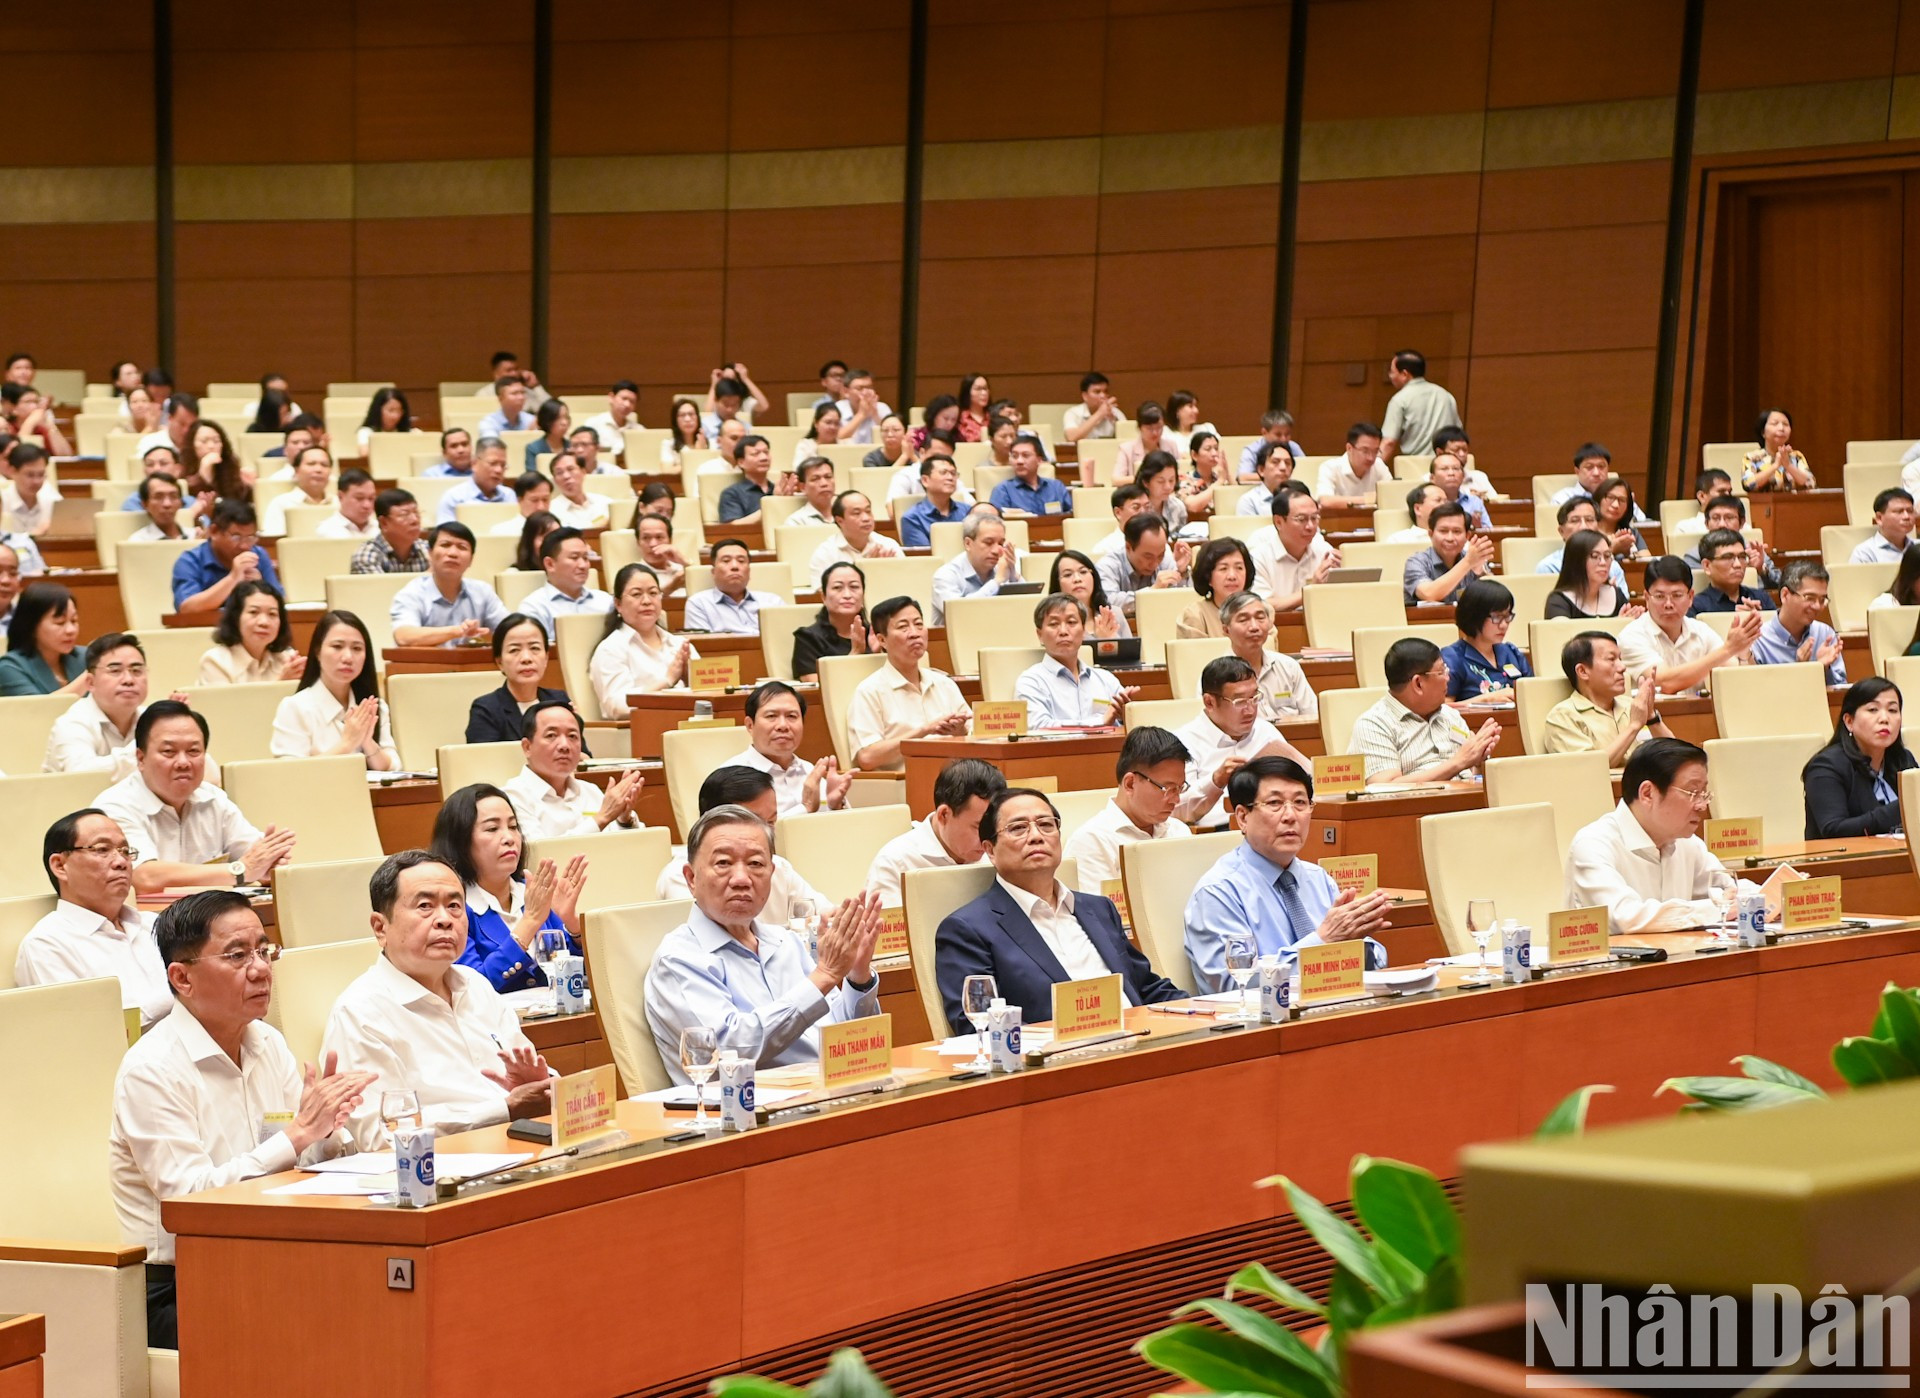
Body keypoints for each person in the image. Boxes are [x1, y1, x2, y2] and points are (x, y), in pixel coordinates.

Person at [111, 889, 372, 1348]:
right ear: (182, 977)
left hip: (269, 1255)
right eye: (237, 955)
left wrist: (328, 1133)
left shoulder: (266, 1041)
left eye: (263, 950)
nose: (260, 968)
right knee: (323, 1326)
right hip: (180, 1285)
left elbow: (295, 1154)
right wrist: (297, 1135)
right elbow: (189, 1202)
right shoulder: (151, 1069)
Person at [323, 851, 551, 1151]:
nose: (445, 919)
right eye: (425, 906)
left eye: (455, 906)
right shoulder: (360, 1012)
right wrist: (504, 1109)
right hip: (435, 1175)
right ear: (380, 928)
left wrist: (539, 1082)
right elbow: (379, 1136)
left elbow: (528, 1089)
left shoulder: (476, 986)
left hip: (516, 1151)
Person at [642, 805, 882, 1076]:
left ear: (772, 873)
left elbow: (848, 1039)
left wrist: (857, 975)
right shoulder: (678, 959)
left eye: (756, 864)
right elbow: (729, 1052)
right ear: (691, 878)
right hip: (748, 1111)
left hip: (828, 1093)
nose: (742, 879)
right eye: (723, 863)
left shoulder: (786, 942)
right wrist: (825, 975)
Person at [933, 787, 1182, 1033]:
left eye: (1046, 825)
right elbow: (981, 1024)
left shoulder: (1099, 908)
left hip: (1137, 1044)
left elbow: (1146, 988)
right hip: (1057, 1061)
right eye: (1018, 828)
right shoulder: (967, 929)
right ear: (989, 850)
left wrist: (1209, 1010)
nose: (1036, 836)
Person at [1183, 757, 1393, 990]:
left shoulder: (1318, 878)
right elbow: (1234, 984)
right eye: (1274, 803)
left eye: (1300, 802)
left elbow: (1375, 958)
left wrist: (1358, 944)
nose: (1290, 816)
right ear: (1243, 817)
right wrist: (1322, 943)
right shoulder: (1218, 892)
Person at [95, 701, 297, 894]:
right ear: (141, 758)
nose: (183, 762)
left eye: (193, 751)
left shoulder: (214, 799)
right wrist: (239, 870)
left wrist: (269, 865)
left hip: (212, 919)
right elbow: (144, 877)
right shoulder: (115, 807)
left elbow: (253, 858)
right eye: (169, 752)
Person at [1564, 738, 1740, 933]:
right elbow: (1626, 917)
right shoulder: (1593, 844)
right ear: (1647, 793)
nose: (1702, 805)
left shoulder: (1687, 843)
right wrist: (1717, 909)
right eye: (1692, 792)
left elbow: (1730, 890)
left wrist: (1755, 899)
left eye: (1704, 793)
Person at [15, 809, 171, 1027]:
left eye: (125, 851)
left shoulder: (154, 924)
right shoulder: (47, 946)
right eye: (102, 849)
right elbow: (89, 1035)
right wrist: (180, 996)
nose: (121, 862)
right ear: (60, 866)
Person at [430, 783, 587, 993]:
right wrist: (530, 922)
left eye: (513, 827)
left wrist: (572, 926)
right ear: (460, 841)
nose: (510, 838)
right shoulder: (453, 909)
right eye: (493, 829)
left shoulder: (532, 893)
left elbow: (581, 980)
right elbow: (473, 989)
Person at [651, 766, 832, 916]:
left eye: (771, 822)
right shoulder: (681, 875)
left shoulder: (778, 866)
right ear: (712, 820)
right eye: (753, 822)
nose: (765, 833)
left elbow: (825, 914)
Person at [1172, 656, 1310, 824]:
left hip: (1272, 826)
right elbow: (1176, 810)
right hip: (1217, 833)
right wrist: (1216, 781)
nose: (1250, 709)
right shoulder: (1183, 742)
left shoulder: (1265, 731)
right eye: (1239, 701)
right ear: (1209, 702)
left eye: (1254, 697)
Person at [1349, 637, 1503, 785]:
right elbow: (1385, 787)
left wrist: (1479, 761)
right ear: (1418, 684)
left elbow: (1472, 776)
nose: (1448, 678)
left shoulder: (1450, 716)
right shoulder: (1374, 725)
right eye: (1441, 671)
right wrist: (1458, 762)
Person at [1062, 726, 1194, 893]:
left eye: (1179, 788)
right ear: (1130, 784)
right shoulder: (1092, 841)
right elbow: (1098, 914)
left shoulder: (1179, 831)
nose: (1176, 799)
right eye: (1167, 789)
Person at [847, 596, 970, 770]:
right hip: (905, 784)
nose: (915, 633)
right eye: (903, 627)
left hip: (958, 779)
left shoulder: (945, 684)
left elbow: (975, 734)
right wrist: (925, 731)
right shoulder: (869, 691)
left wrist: (960, 732)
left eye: (919, 624)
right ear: (882, 640)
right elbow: (867, 757)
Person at [270, 610, 399, 771]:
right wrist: (347, 744)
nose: (348, 657)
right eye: (337, 646)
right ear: (317, 652)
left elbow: (393, 766)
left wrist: (368, 743)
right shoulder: (295, 707)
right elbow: (289, 773)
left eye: (357, 648)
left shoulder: (374, 706)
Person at [869, 758, 1004, 906]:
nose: (988, 839)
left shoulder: (1003, 850)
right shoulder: (895, 862)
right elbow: (889, 928)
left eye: (993, 826)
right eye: (978, 827)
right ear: (944, 815)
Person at [501, 699, 643, 839]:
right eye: (551, 735)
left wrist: (624, 820)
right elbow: (538, 854)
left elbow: (628, 848)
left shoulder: (590, 790)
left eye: (572, 736)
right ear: (527, 747)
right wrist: (601, 818)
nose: (564, 745)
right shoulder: (512, 797)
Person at [1618, 556, 1761, 693]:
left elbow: (1733, 674)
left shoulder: (1701, 630)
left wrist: (1743, 655)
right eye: (1660, 596)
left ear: (1690, 597)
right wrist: (1728, 649)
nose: (1668, 604)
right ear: (1647, 599)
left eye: (1677, 595)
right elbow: (1664, 682)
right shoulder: (1632, 636)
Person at [1803, 678, 1916, 838]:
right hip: (1848, 861)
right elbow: (1833, 829)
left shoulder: (1903, 759)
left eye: (1892, 710)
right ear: (1849, 721)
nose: (1884, 719)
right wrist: (1905, 807)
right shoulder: (1826, 766)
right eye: (1872, 710)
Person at [1543, 632, 1672, 762]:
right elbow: (1590, 769)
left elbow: (1675, 758)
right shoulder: (1563, 717)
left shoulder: (1633, 706)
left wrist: (1650, 717)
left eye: (1620, 659)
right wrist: (1634, 726)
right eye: (1611, 659)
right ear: (1582, 671)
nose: (1622, 667)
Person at [590, 563, 696, 719]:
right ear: (618, 604)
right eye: (636, 594)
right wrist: (667, 681)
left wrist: (690, 679)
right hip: (641, 731)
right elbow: (618, 707)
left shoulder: (679, 644)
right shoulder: (611, 649)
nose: (647, 601)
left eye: (653, 593)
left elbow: (708, 694)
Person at [1015, 594, 1136, 729]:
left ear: (1083, 630)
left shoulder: (1106, 680)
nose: (1063, 631)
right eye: (1054, 624)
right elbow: (1038, 726)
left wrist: (1126, 714)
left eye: (1071, 622)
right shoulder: (1031, 681)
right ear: (1040, 635)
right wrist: (1100, 721)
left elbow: (1130, 726)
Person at [730, 681, 850, 816]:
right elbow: (749, 833)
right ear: (750, 725)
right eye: (771, 716)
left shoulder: (810, 771)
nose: (783, 725)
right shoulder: (733, 777)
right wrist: (806, 807)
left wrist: (836, 806)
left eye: (791, 716)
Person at [43, 634, 149, 779]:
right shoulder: (72, 723)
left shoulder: (151, 719)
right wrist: (150, 749)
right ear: (90, 683)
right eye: (115, 671)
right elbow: (80, 776)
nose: (128, 680)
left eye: (136, 671)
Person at [388, 522, 506, 649]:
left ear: (471, 560)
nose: (453, 553)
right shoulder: (412, 593)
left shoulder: (482, 591)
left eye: (462, 547)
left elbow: (510, 630)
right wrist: (457, 631)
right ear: (430, 553)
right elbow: (403, 636)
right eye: (445, 545)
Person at [466, 613, 575, 745]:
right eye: (514, 650)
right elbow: (483, 761)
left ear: (546, 658)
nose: (526, 658)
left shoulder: (559, 701)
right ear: (499, 662)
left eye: (534, 648)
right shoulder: (487, 709)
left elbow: (584, 757)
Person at [1220, 591, 1316, 723]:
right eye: (1243, 620)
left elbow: (1313, 716)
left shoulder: (1288, 666)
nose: (1254, 627)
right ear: (1226, 630)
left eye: (1260, 618)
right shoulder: (1216, 676)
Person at [170, 501, 283, 613]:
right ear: (214, 532)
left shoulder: (258, 555)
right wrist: (233, 578)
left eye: (250, 537)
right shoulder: (189, 561)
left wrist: (261, 586)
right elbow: (187, 608)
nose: (244, 546)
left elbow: (280, 601)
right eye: (236, 537)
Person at [1752, 561, 1846, 685]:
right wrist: (1802, 670)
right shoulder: (1759, 639)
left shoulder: (1824, 634)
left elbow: (1839, 691)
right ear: (1785, 595)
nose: (1817, 606)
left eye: (1822, 599)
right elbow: (1757, 693)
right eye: (1810, 598)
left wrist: (1823, 668)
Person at [1251, 485, 1339, 610]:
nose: (1310, 526)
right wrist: (1311, 589)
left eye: (1314, 518)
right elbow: (1262, 605)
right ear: (1278, 522)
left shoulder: (1324, 551)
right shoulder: (1259, 558)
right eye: (1301, 519)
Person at [1441, 579, 1530, 701]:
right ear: (1475, 616)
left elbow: (1533, 693)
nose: (1504, 625)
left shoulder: (1511, 652)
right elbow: (1444, 710)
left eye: (1507, 616)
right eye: (1497, 617)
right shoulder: (1453, 657)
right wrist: (1486, 699)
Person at [198, 581, 303, 684]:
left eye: (272, 614)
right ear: (236, 617)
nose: (264, 622)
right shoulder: (215, 662)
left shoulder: (287, 659)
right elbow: (228, 702)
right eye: (254, 612)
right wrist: (281, 683)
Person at [520, 527, 614, 640]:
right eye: (574, 558)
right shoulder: (534, 608)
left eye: (585, 558)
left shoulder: (606, 601)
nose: (583, 565)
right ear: (550, 564)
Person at [1096, 513, 1191, 620]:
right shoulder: (1108, 565)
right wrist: (1151, 592)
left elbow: (1184, 603)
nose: (1155, 563)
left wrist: (1181, 572)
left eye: (1160, 555)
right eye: (1148, 557)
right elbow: (1108, 602)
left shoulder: (1166, 559)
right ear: (1128, 547)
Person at [931, 510, 1018, 624]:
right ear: (968, 543)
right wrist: (997, 582)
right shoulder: (945, 575)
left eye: (1001, 544)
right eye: (988, 542)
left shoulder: (1001, 569)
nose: (997, 551)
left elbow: (1027, 609)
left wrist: (1013, 575)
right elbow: (959, 614)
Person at [0, 581, 86, 695]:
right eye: (60, 622)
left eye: (74, 621)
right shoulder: (9, 668)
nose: (71, 630)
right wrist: (91, 675)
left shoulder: (87, 657)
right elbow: (40, 710)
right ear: (31, 626)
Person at [792, 561, 872, 681]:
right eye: (837, 588)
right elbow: (817, 687)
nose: (847, 594)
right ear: (823, 597)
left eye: (854, 587)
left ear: (863, 595)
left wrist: (879, 653)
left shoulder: (875, 634)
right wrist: (855, 654)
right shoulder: (808, 638)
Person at [682, 536, 779, 635]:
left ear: (749, 571)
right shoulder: (699, 603)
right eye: (726, 561)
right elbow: (702, 645)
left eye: (741, 561)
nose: (735, 566)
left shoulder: (773, 601)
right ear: (713, 572)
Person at [1403, 502, 1493, 605]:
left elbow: (1494, 599)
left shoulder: (1473, 559)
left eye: (1457, 531)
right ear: (1431, 534)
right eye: (1443, 531)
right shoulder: (1416, 562)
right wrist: (1467, 563)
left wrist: (1481, 573)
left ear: (1467, 536)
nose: (1450, 538)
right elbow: (1429, 594)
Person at [1379, 350, 1461, 460]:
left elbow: (1389, 442)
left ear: (1404, 374)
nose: (1390, 375)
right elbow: (1458, 434)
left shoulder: (1399, 399)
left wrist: (1373, 469)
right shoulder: (1446, 395)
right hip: (1445, 466)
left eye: (1392, 371)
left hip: (1413, 467)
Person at [807, 490, 902, 583]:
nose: (866, 518)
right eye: (856, 513)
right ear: (840, 521)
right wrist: (869, 570)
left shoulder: (889, 545)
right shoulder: (825, 554)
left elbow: (905, 582)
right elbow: (822, 594)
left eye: (868, 511)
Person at [1535, 497, 1629, 591]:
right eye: (1575, 520)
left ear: (1598, 528)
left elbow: (1625, 604)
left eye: (1589, 520)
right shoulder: (1549, 567)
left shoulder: (1612, 567)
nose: (1583, 527)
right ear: (1561, 531)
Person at [1545, 530, 1636, 620]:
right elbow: (1562, 633)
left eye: (1607, 556)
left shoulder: (1617, 594)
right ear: (1577, 561)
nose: (1603, 562)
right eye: (1595, 556)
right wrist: (1615, 624)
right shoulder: (1559, 601)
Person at [1178, 538, 1255, 639]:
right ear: (1208, 576)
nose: (1232, 576)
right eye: (1223, 568)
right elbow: (1194, 653)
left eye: (1239, 568)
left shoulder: (1260, 612)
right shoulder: (1196, 615)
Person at [1688, 528, 1777, 615]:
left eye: (1742, 557)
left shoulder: (1761, 598)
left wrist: (1759, 619)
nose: (1738, 565)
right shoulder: (1695, 606)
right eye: (1727, 557)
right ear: (1707, 566)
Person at [1050, 548, 1130, 639]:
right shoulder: (1054, 623)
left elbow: (1132, 652)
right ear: (1057, 583)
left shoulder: (1114, 614)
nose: (1077, 579)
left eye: (1083, 572)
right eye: (1068, 575)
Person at [435, 438, 513, 524]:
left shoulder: (509, 495)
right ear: (474, 464)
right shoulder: (454, 498)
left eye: (503, 465)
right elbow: (445, 535)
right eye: (493, 463)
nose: (499, 470)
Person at [990, 436, 1073, 517]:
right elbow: (995, 522)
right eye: (1014, 456)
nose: (1019, 461)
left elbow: (1070, 515)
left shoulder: (1056, 487)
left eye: (1026, 455)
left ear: (1039, 460)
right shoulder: (1003, 490)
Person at [351, 489, 430, 573]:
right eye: (404, 514)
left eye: (416, 512)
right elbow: (381, 586)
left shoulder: (428, 550)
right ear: (384, 523)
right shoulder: (367, 556)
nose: (415, 520)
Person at [898, 455, 968, 547]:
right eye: (943, 472)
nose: (950, 478)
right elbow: (924, 556)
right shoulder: (912, 518)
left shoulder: (968, 511)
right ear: (925, 480)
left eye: (953, 473)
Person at [717, 434, 786, 523]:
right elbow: (733, 526)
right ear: (741, 462)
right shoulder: (732, 493)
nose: (764, 458)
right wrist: (774, 501)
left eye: (766, 452)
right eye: (755, 454)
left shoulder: (777, 489)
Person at [1742, 407, 1814, 491]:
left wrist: (1788, 465)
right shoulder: (1752, 457)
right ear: (1763, 432)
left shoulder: (1796, 456)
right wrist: (1776, 465)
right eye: (1774, 424)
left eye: (1786, 424)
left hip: (1793, 503)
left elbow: (1810, 483)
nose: (1781, 428)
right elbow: (1748, 484)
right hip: (1763, 503)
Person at [1315, 423, 1392, 502]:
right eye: (1365, 451)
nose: (1371, 458)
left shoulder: (1378, 465)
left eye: (1375, 451)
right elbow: (1325, 501)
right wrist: (1370, 500)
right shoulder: (1330, 467)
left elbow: (1393, 495)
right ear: (1349, 448)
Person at [1429, 448, 1492, 530]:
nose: (1451, 473)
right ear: (1432, 478)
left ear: (1463, 476)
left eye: (1456, 469)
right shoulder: (1427, 502)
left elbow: (1490, 533)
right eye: (1444, 469)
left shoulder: (1475, 501)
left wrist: (1477, 528)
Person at [704, 364, 770, 440]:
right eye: (725, 379)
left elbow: (764, 406)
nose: (729, 409)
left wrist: (745, 379)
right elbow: (706, 413)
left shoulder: (746, 426)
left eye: (733, 379)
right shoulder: (705, 425)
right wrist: (714, 384)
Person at [546, 451, 609, 530]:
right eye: (559, 473)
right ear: (555, 480)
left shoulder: (605, 503)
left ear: (583, 472)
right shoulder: (551, 512)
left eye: (570, 469)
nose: (566, 476)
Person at [1111, 402, 1172, 483]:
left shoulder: (1171, 446)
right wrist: (1148, 478)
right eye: (1149, 428)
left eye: (1159, 427)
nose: (1155, 433)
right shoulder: (1127, 449)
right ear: (1139, 427)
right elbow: (1116, 480)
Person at [1237, 410, 1305, 481]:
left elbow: (1305, 471)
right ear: (1264, 432)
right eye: (1278, 435)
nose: (1284, 439)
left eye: (1287, 434)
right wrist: (1277, 475)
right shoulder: (1251, 450)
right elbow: (1243, 477)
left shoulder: (1294, 447)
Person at [1851, 488, 1915, 564]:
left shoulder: (1917, 546)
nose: (1906, 516)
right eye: (1899, 511)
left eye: (1910, 511)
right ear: (1879, 518)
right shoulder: (1865, 553)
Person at [315, 467, 378, 540]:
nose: (367, 505)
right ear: (340, 497)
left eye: (371, 498)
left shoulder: (382, 530)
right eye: (359, 498)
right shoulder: (326, 531)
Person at [1237, 439, 1297, 515]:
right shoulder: (1249, 502)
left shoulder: (1301, 497)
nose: (1283, 467)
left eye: (1287, 463)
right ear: (1261, 470)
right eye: (1275, 462)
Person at [635, 512, 689, 596]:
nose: (653, 544)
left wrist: (686, 563)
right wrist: (671, 588)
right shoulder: (634, 574)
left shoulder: (682, 568)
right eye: (646, 538)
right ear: (638, 542)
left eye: (659, 537)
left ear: (670, 540)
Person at [578, 380, 641, 451]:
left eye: (632, 401)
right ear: (611, 397)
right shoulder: (593, 425)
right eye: (624, 399)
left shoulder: (639, 430)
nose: (627, 405)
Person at [1669, 469, 1734, 538]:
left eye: (1729, 492)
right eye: (1721, 491)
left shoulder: (1742, 526)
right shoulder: (1685, 529)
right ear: (1702, 496)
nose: (1728, 496)